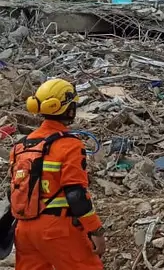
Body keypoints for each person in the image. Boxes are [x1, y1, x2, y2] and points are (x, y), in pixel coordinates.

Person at [9, 78, 105, 269]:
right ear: (69, 109)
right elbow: (76, 194)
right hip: (57, 229)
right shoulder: (69, 145)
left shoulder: (21, 146)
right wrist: (95, 230)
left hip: (24, 230)